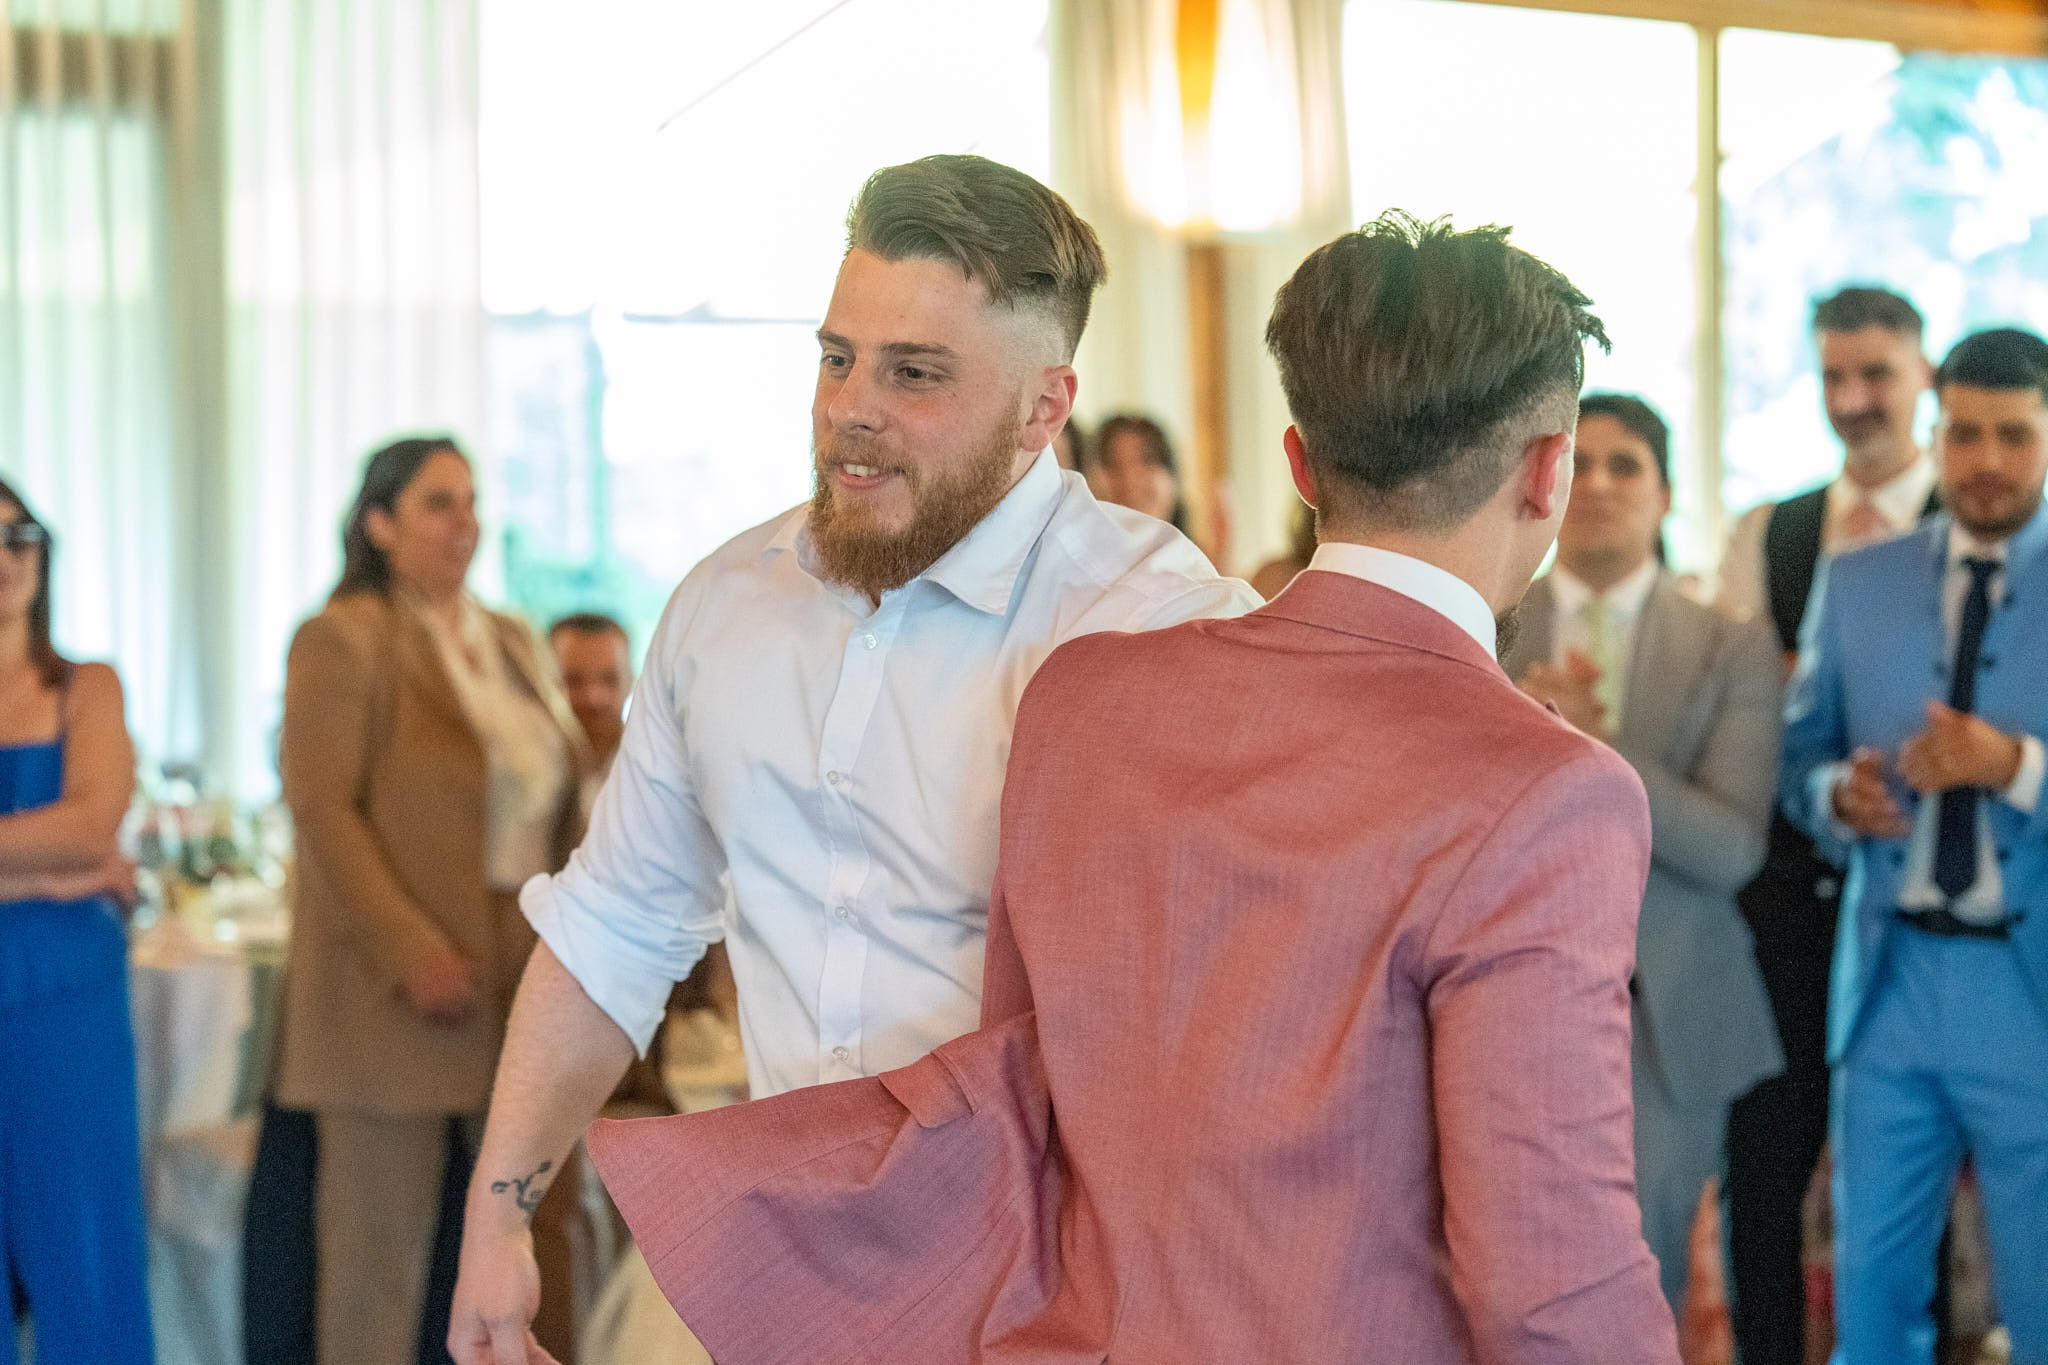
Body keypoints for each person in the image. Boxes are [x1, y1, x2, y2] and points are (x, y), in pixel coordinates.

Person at [583, 212, 1681, 1363]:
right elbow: (1548, 1288)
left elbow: (1019, 1110)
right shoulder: (1546, 791)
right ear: (1548, 472)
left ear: (1300, 464)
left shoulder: (1087, 697)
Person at [449, 153, 1257, 1365]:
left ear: (1044, 407)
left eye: (914, 374)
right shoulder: (725, 607)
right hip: (789, 1288)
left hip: (1061, 1308)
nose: (850, 409)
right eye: (836, 359)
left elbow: (1236, 1015)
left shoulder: (1158, 628)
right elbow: (614, 927)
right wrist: (498, 1212)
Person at [277, 437, 589, 1365]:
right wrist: (412, 951)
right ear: (379, 523)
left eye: (472, 499)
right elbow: (322, 812)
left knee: (538, 1237)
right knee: (382, 1257)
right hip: (393, 983)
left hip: (524, 966)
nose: (467, 522)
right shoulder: (345, 637)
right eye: (438, 503)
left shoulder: (512, 637)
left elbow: (561, 800)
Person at [1783, 327, 2048, 1365]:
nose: (1985, 461)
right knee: (1869, 1298)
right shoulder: (1857, 578)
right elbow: (1795, 757)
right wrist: (1832, 797)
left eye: (2013, 437)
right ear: (1935, 436)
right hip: (1887, 982)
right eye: (1965, 435)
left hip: (2026, 990)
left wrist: (2011, 765)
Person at [1506, 394, 1784, 1312]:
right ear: (1544, 482)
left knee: (1647, 1278)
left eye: (1628, 466)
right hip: (1503, 993)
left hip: (1669, 1012)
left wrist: (1591, 747)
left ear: (1666, 494)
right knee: (1505, 1273)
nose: (1601, 485)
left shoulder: (1731, 645)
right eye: (1581, 463)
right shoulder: (1487, 623)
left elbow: (1734, 845)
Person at [1713, 286, 1944, 1365]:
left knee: (1913, 1176)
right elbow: (1744, 712)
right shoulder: (1769, 531)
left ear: (1921, 375)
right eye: (1832, 377)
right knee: (1762, 1161)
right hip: (1785, 898)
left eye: (1874, 375)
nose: (1852, 400)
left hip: (1927, 906)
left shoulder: (1983, 518)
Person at [0, 477, 152, 1365]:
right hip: (54, 933)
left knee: (87, 1250)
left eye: (21, 535)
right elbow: (72, 843)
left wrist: (81, 858)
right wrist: (43, 873)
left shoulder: (87, 685)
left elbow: (94, 824)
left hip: (67, 998)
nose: (7, 556)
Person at [547, 614, 633, 778]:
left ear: (631, 681)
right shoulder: (519, 771)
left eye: (610, 680)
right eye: (573, 681)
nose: (593, 699)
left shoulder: (661, 770)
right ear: (545, 683)